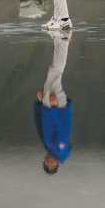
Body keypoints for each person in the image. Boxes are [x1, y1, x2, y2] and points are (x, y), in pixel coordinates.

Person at [34, 34, 73, 173]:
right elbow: (61, 131)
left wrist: (39, 105)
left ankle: (60, 39)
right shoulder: (60, 150)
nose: (49, 162)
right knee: (56, 71)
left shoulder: (50, 148)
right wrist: (55, 107)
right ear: (57, 164)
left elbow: (41, 125)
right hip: (56, 107)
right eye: (52, 165)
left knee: (54, 71)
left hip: (48, 107)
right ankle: (64, 38)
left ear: (44, 161)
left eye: (47, 164)